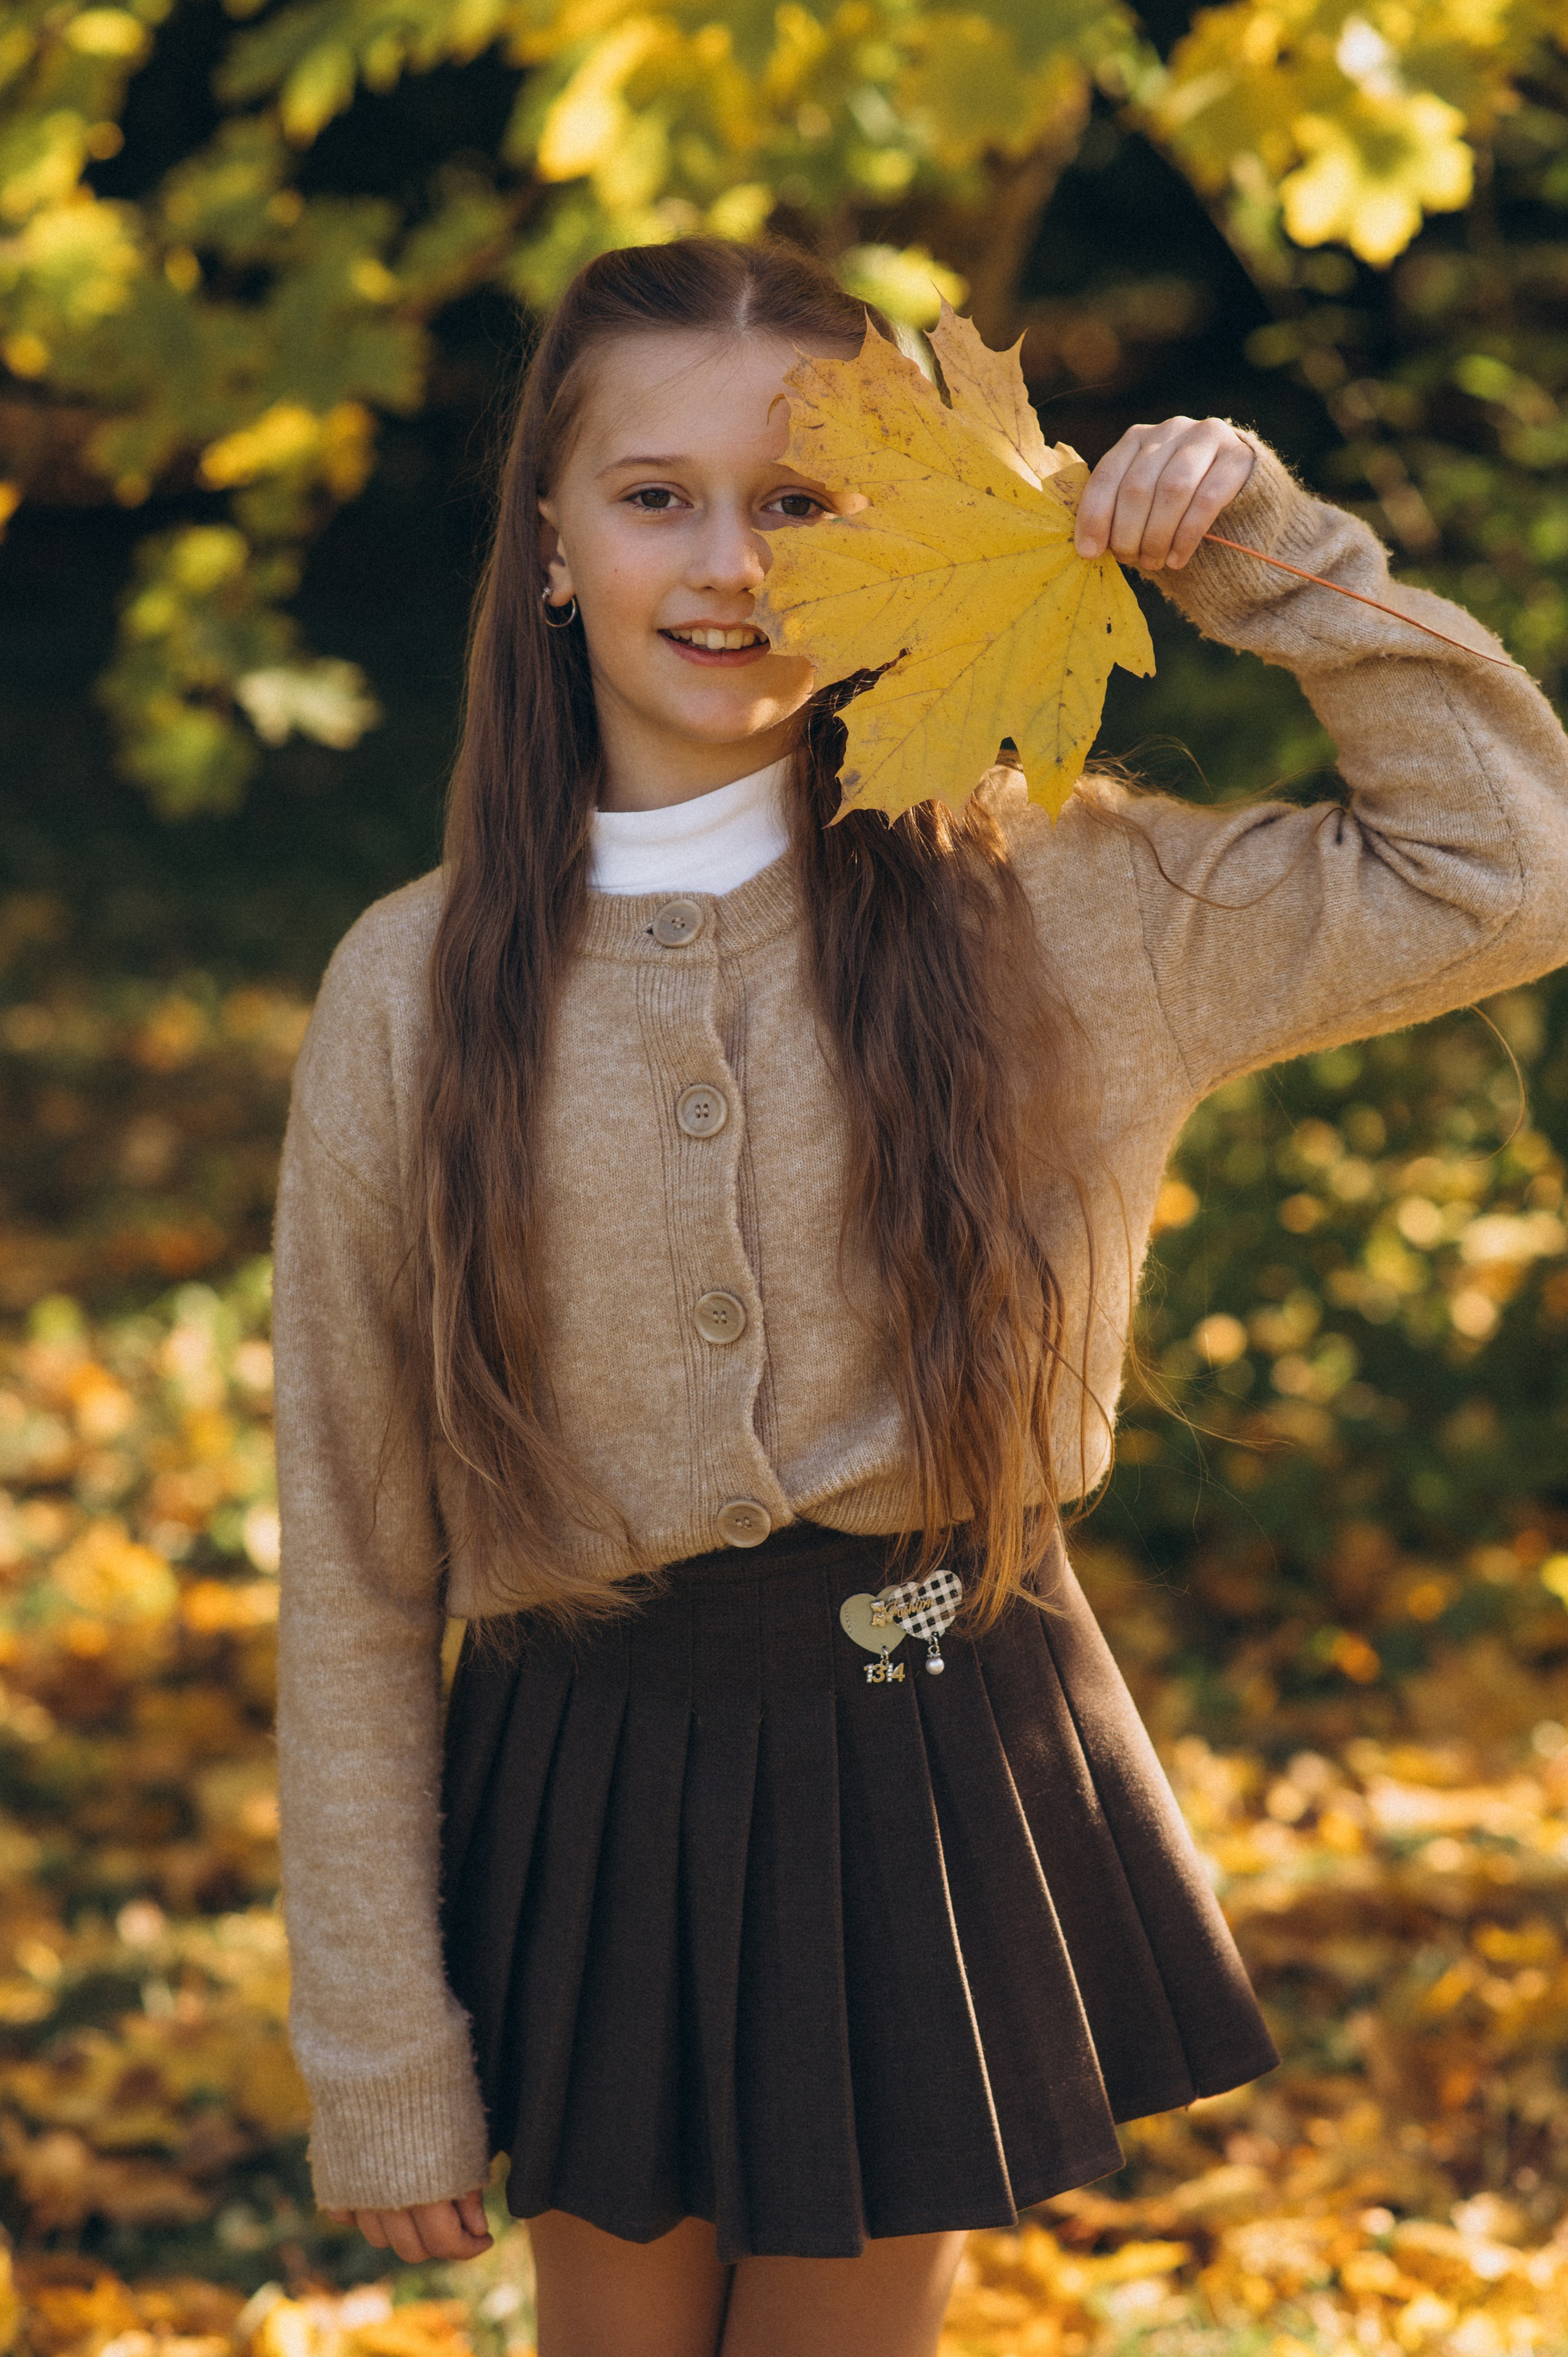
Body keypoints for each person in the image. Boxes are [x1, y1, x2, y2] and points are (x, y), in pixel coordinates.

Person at [270, 235, 1568, 2357]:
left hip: (925, 1749)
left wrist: (1256, 555)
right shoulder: (414, 993)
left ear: (896, 537)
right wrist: (378, 2041)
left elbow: (1513, 864)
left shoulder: (1062, 898)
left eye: (800, 501)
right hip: (587, 1785)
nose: (730, 563)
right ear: (549, 548)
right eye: (656, 494)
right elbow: (348, 1547)